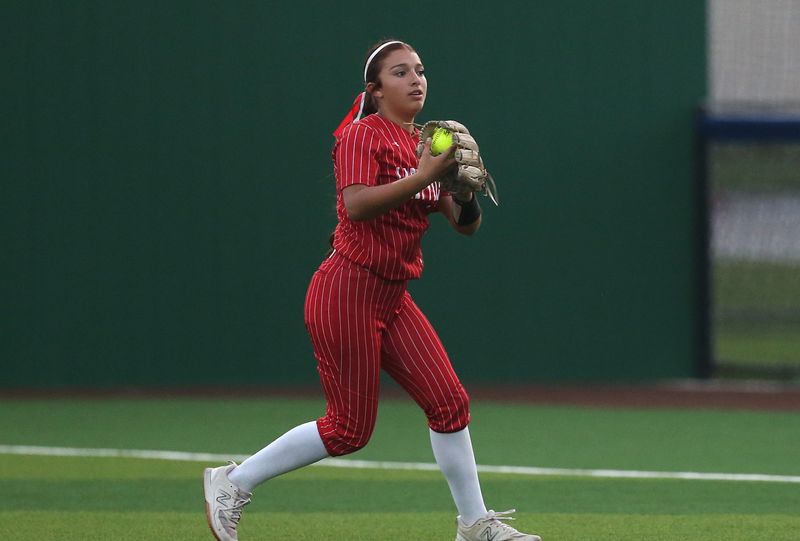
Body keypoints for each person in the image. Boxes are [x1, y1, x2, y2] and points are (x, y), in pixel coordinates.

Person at [203, 39, 541, 541]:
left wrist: (462, 191)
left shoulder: (426, 142)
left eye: (420, 70)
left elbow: (464, 225)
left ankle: (475, 525)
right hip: (346, 292)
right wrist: (426, 174)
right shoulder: (363, 136)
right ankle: (232, 482)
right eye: (400, 72)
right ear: (375, 89)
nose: (415, 79)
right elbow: (358, 204)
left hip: (393, 297)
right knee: (348, 429)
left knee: (450, 404)